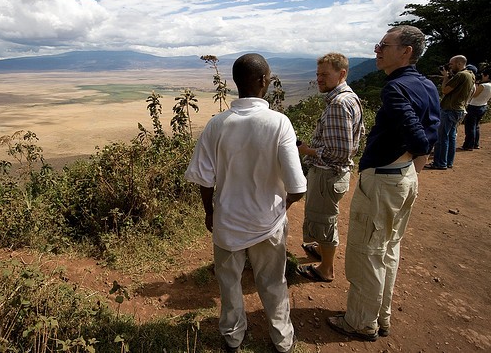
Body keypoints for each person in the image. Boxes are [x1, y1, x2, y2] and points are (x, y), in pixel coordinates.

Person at [185, 53, 306, 353]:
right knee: (273, 283)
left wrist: (210, 212)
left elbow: (204, 178)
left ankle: (233, 338)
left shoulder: (217, 124)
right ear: (264, 81)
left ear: (236, 83)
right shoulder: (280, 123)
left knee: (229, 284)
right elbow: (298, 187)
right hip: (269, 223)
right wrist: (280, 208)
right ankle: (282, 340)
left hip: (227, 222)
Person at [327, 25, 440, 341]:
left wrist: (404, 156)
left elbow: (419, 136)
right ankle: (381, 317)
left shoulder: (395, 89)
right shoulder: (427, 85)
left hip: (385, 180)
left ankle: (360, 322)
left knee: (367, 253)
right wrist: (412, 165)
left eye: (384, 45)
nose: (377, 50)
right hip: (405, 178)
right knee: (388, 249)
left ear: (405, 51)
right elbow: (433, 131)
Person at [297, 53, 364, 283]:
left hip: (328, 175)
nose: (319, 79)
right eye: (318, 74)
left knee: (324, 220)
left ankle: (326, 269)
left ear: (341, 73)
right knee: (324, 217)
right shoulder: (350, 97)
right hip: (335, 175)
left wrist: (308, 151)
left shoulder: (338, 103)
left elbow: (340, 152)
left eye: (325, 74)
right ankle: (321, 250)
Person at [424, 55, 475, 169]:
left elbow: (445, 90)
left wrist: (446, 77)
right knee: (451, 137)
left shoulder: (461, 75)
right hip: (459, 109)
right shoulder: (470, 74)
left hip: (450, 109)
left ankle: (440, 163)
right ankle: (448, 162)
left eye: (451, 64)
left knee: (442, 137)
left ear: (459, 64)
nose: (449, 66)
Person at [462, 66, 491, 150]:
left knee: (470, 127)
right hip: (483, 106)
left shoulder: (483, 86)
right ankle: (475, 144)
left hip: (474, 106)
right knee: (476, 126)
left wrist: (474, 85)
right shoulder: (489, 85)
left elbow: (474, 95)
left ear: (487, 76)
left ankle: (468, 145)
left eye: (483, 75)